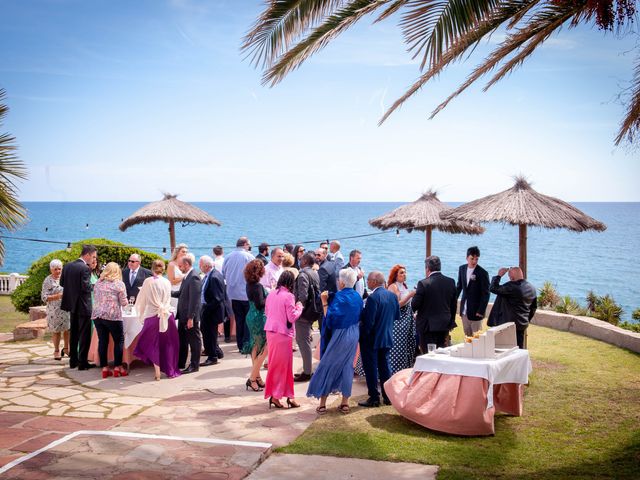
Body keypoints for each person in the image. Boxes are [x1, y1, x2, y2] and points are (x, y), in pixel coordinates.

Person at [307, 268, 363, 414]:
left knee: (327, 365)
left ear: (342, 282)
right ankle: (345, 403)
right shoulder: (357, 296)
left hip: (341, 335)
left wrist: (324, 302)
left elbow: (330, 319)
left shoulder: (339, 297)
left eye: (339, 280)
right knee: (347, 366)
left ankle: (323, 404)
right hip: (354, 333)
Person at [358, 272, 400, 408]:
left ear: (375, 281)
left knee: (371, 368)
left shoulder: (373, 298)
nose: (367, 282)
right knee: (385, 367)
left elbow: (368, 322)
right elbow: (396, 316)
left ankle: (374, 397)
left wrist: (362, 336)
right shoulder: (392, 296)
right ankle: (387, 396)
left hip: (372, 340)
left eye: (368, 280)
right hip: (387, 336)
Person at [134, 259, 181, 380]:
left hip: (153, 316)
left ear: (152, 268)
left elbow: (141, 300)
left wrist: (140, 313)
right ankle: (170, 370)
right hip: (167, 315)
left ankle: (157, 372)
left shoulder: (148, 281)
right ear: (163, 269)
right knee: (168, 344)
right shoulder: (167, 282)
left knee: (152, 343)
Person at [263, 271, 303, 409]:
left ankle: (285, 396)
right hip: (283, 335)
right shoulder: (289, 296)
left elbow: (267, 312)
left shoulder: (271, 294)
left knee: (277, 365)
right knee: (283, 367)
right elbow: (292, 317)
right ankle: (279, 396)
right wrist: (300, 308)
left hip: (271, 332)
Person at [61, 244, 97, 370]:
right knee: (84, 335)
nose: (93, 260)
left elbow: (62, 283)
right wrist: (96, 286)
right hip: (84, 306)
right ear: (87, 255)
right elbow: (86, 288)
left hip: (72, 305)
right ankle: (82, 363)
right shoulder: (85, 269)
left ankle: (73, 361)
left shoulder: (67, 266)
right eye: (93, 257)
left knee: (74, 334)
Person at [411, 256, 458, 351]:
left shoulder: (423, 283)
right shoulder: (451, 282)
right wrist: (451, 321)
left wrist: (416, 294)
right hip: (444, 324)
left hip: (427, 327)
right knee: (441, 353)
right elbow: (453, 305)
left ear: (427, 268)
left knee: (428, 354)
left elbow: (414, 305)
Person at [91, 262, 128, 379]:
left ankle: (105, 368)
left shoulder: (98, 283)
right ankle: (117, 367)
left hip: (97, 315)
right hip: (112, 316)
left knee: (103, 341)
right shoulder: (119, 284)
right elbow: (124, 302)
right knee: (119, 340)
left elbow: (96, 297)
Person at [488, 266, 537, 349]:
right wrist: (526, 320)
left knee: (505, 350)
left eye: (509, 276)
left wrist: (499, 276)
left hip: (508, 326)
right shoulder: (531, 288)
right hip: (522, 325)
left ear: (512, 277)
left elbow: (493, 288)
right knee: (518, 350)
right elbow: (533, 308)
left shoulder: (512, 287)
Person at [171, 253, 203, 374]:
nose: (179, 268)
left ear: (186, 264)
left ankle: (194, 365)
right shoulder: (187, 276)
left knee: (194, 340)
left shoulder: (194, 277)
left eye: (180, 266)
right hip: (183, 314)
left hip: (189, 316)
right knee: (183, 339)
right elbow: (181, 293)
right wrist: (166, 292)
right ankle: (181, 362)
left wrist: (191, 317)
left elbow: (195, 300)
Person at [222, 237, 255, 351]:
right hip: (246, 293)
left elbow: (223, 273)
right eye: (249, 245)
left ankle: (240, 344)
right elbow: (255, 274)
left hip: (232, 293)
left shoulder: (228, 256)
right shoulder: (248, 256)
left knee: (239, 319)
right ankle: (246, 345)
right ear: (245, 244)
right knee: (247, 320)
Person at [294, 252, 321, 382]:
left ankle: (307, 372)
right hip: (313, 311)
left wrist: (297, 310)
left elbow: (302, 296)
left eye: (301, 259)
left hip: (304, 314)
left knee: (303, 342)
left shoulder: (303, 275)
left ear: (304, 261)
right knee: (306, 341)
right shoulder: (315, 273)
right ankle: (307, 370)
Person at [242, 259, 269, 392]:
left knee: (255, 345)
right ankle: (253, 378)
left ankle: (257, 376)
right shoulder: (257, 286)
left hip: (250, 315)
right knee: (263, 347)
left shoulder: (248, 284)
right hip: (258, 317)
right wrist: (269, 296)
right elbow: (260, 304)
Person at [387, 264, 417, 374]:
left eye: (405, 272)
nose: (404, 275)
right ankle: (393, 371)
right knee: (397, 346)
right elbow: (397, 305)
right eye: (401, 273)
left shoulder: (404, 285)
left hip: (407, 318)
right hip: (398, 321)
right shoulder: (393, 287)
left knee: (407, 345)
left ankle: (404, 370)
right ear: (395, 275)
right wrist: (410, 295)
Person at [456, 246, 490, 337]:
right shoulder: (462, 269)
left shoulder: (483, 273)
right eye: (472, 258)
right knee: (467, 337)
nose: (474, 261)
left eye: (476, 259)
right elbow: (459, 287)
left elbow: (486, 294)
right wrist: (452, 300)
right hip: (464, 311)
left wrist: (481, 310)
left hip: (476, 312)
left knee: (477, 339)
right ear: (467, 257)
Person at [199, 255, 226, 366]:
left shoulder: (214, 277)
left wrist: (206, 309)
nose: (199, 267)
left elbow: (217, 298)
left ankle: (212, 356)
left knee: (209, 334)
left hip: (211, 310)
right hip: (209, 308)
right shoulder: (210, 275)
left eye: (200, 265)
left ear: (206, 266)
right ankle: (216, 351)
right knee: (208, 332)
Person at [41, 259, 70, 361]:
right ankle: (56, 351)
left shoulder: (65, 278)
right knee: (56, 331)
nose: (58, 271)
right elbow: (44, 297)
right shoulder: (47, 280)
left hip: (66, 309)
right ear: (51, 270)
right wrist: (58, 296)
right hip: (54, 311)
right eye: (55, 269)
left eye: (59, 269)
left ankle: (66, 349)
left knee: (68, 329)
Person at [168, 244, 188, 308]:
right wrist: (184, 277)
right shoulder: (171, 264)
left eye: (186, 252)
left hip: (184, 291)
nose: (185, 253)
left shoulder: (186, 265)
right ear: (177, 252)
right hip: (175, 292)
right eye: (183, 251)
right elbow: (171, 281)